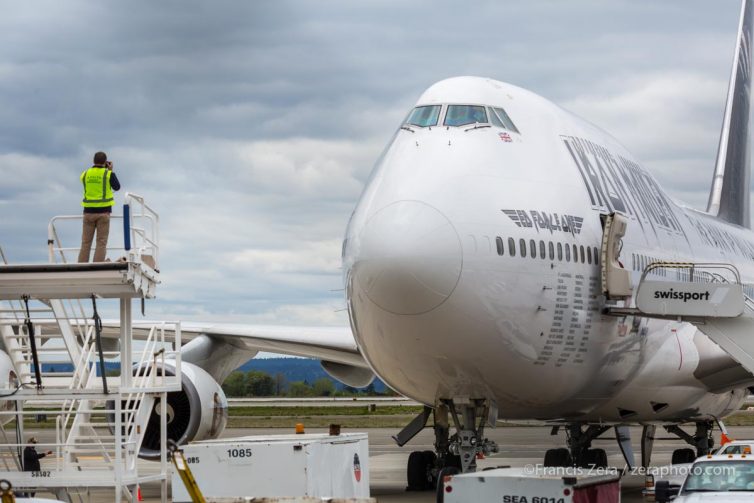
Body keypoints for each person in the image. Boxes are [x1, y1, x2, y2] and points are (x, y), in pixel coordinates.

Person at [77, 151, 121, 263]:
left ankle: (81, 266)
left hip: (88, 213)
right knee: (101, 242)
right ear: (106, 162)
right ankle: (97, 266)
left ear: (93, 161)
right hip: (103, 212)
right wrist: (110, 170)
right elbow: (117, 187)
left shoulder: (85, 174)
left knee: (85, 242)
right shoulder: (108, 174)